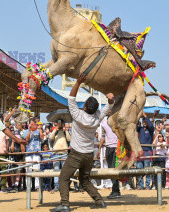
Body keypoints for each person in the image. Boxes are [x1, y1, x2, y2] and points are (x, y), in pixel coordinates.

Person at [52, 74, 113, 212]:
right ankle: (99, 202)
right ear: (94, 109)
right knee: (84, 180)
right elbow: (107, 108)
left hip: (76, 155)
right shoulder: (97, 117)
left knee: (63, 177)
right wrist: (111, 100)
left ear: (85, 106)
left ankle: (65, 204)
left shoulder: (78, 115)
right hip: (89, 155)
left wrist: (78, 82)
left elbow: (71, 98)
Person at [98, 113, 120, 198]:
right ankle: (116, 190)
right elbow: (103, 136)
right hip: (108, 148)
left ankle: (115, 190)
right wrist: (99, 148)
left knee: (114, 169)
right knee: (110, 169)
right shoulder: (103, 122)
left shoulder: (117, 120)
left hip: (116, 147)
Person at [22, 119, 44, 191]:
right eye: (30, 124)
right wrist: (29, 131)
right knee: (28, 169)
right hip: (28, 152)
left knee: (37, 168)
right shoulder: (26, 131)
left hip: (37, 151)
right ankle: (29, 186)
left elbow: (42, 138)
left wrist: (40, 129)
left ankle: (37, 186)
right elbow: (27, 139)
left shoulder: (38, 131)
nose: (31, 125)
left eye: (33, 124)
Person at [49, 120, 71, 191]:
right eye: (59, 123)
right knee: (56, 170)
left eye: (61, 123)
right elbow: (51, 137)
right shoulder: (55, 131)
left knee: (65, 171)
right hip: (56, 153)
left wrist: (65, 130)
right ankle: (56, 186)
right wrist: (56, 129)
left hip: (64, 153)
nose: (60, 125)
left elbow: (69, 139)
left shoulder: (65, 132)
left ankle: (64, 186)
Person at [136, 111, 154, 190]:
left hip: (147, 151)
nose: (144, 122)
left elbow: (151, 125)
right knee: (139, 169)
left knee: (147, 169)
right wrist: (138, 115)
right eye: (143, 121)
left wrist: (146, 116)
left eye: (145, 121)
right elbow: (134, 124)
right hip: (140, 151)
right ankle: (140, 185)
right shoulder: (139, 129)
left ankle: (147, 185)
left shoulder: (150, 129)